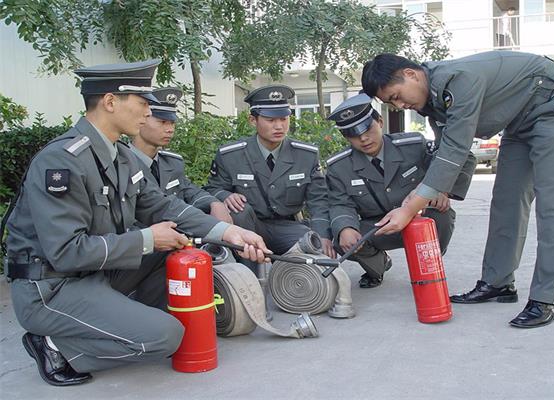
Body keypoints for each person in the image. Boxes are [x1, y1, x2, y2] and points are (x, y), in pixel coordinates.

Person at [2, 59, 269, 387]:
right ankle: (56, 346)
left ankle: (122, 320)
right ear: (110, 102)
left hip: (92, 276)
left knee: (171, 247)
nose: (148, 112)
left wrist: (231, 232)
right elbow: (66, 252)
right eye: (143, 103)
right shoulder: (62, 161)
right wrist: (147, 239)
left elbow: (164, 206)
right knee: (165, 336)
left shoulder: (122, 157)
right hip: (51, 289)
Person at [361, 51, 554, 328]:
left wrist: (409, 209)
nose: (399, 105)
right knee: (507, 201)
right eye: (390, 103)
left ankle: (548, 298)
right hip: (518, 122)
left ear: (410, 74)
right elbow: (446, 150)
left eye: (396, 95)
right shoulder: (432, 103)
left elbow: (456, 149)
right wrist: (436, 191)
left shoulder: (457, 81)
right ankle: (498, 282)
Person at [326, 93, 475, 288]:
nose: (363, 138)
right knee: (342, 239)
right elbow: (340, 203)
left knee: (441, 216)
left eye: (367, 129)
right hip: (380, 226)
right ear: (345, 137)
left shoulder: (413, 145)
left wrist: (442, 189)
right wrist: (345, 228)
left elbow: (461, 158)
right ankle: (378, 266)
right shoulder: (339, 166)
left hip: (419, 217)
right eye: (353, 135)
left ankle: (429, 264)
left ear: (380, 122)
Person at [205, 84, 336, 261]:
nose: (279, 126)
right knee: (238, 210)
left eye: (283, 119)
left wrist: (323, 235)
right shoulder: (231, 155)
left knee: (313, 249)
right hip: (248, 227)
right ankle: (247, 275)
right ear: (253, 120)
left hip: (288, 226)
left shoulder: (306, 155)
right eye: (271, 120)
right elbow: (212, 189)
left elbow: (319, 201)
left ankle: (286, 273)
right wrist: (224, 195)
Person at [130, 86, 232, 224]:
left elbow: (189, 190)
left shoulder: (172, 163)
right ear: (141, 120)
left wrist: (215, 203)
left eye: (172, 123)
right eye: (162, 122)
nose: (170, 129)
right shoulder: (123, 162)